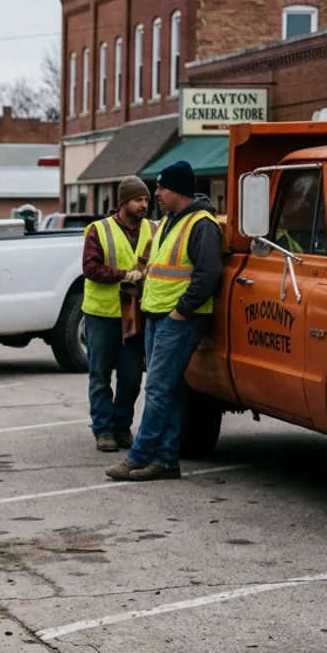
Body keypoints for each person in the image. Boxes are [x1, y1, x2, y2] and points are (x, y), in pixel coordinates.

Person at [108, 160, 224, 482]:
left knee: (158, 388)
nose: (155, 194)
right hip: (157, 314)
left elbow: (208, 274)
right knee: (169, 390)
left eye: (161, 188)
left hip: (179, 319)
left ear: (178, 191)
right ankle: (166, 461)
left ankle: (139, 456)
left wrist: (181, 310)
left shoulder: (201, 224)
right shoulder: (171, 221)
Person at [81, 176, 153, 454]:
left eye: (146, 199)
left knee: (131, 374)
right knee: (100, 374)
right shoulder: (99, 230)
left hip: (136, 312)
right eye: (138, 200)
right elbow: (90, 267)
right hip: (102, 313)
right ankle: (103, 430)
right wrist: (125, 275)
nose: (144, 204)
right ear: (124, 203)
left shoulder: (154, 229)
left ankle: (122, 426)